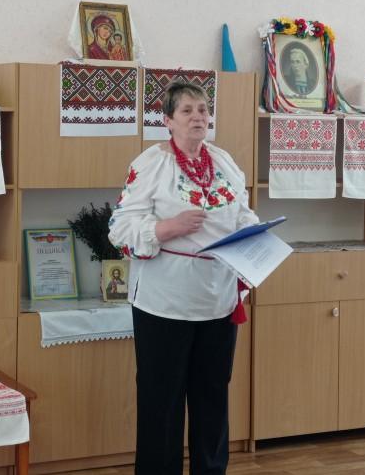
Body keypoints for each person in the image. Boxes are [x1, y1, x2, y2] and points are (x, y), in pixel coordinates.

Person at [108, 81, 259, 475]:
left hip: (218, 300)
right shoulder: (151, 164)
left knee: (212, 397)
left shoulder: (224, 162)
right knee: (162, 402)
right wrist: (166, 228)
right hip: (164, 303)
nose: (197, 117)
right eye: (187, 110)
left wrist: (256, 237)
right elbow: (119, 229)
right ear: (168, 120)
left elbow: (243, 214)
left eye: (203, 109)